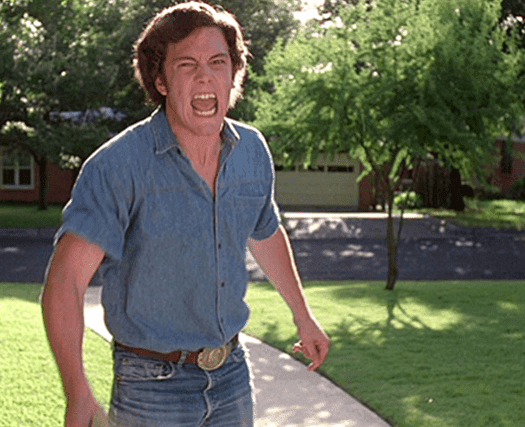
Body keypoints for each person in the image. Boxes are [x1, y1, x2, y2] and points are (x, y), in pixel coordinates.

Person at [40, 2, 330, 426]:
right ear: (160, 80)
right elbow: (65, 283)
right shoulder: (118, 166)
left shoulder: (251, 151)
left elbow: (265, 232)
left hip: (232, 375)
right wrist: (77, 391)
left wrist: (304, 317)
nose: (205, 76)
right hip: (150, 386)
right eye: (187, 64)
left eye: (218, 62)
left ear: (234, 74)